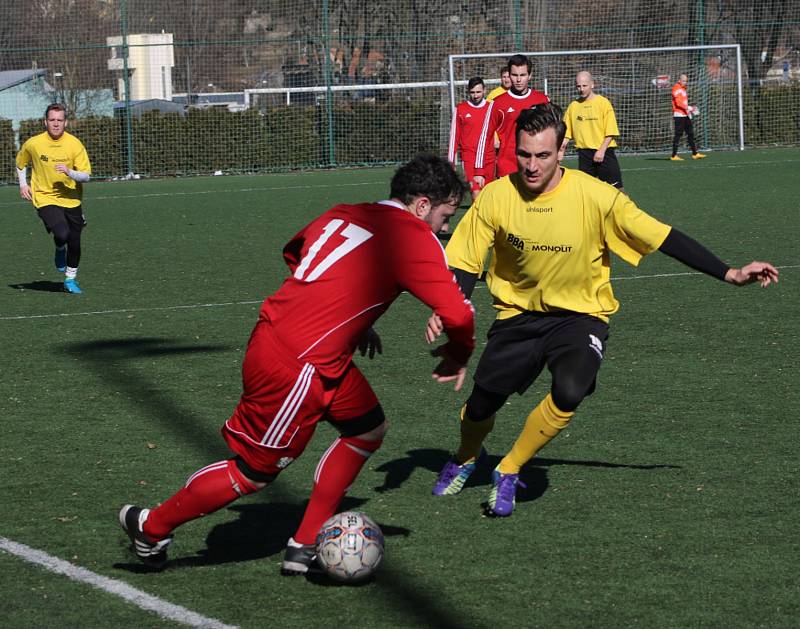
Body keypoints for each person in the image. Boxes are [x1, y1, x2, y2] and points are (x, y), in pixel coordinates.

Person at [119, 155, 476, 574]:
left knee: (367, 428)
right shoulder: (415, 237)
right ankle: (151, 526)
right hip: (297, 364)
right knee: (254, 472)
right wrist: (458, 354)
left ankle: (304, 544)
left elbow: (296, 253)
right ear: (421, 205)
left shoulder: (346, 212)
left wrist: (352, 319)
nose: (446, 227)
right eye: (445, 215)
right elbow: (458, 314)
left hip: (306, 351)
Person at [427, 103, 778, 517]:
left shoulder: (596, 197)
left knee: (571, 388)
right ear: (514, 149)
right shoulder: (497, 198)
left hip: (581, 316)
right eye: (524, 154)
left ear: (561, 151)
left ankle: (510, 467)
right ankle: (467, 456)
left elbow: (661, 236)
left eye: (543, 155)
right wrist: (454, 307)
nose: (532, 165)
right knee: (483, 404)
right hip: (517, 316)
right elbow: (467, 260)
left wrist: (730, 272)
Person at [15, 103, 92, 294]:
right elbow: (20, 163)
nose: (55, 124)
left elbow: (86, 176)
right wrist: (23, 184)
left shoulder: (74, 144)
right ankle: (59, 249)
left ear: (65, 122)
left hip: (72, 199)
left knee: (75, 240)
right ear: (45, 122)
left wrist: (69, 172)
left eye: (59, 120)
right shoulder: (34, 143)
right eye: (52, 120)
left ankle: (70, 279)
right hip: (44, 196)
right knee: (62, 234)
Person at [473, 54, 549, 186]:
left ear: (530, 76)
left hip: (536, 166)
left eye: (523, 75)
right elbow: (484, 136)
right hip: (508, 166)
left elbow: (551, 133)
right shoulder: (497, 103)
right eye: (514, 75)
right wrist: (479, 170)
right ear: (509, 75)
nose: (518, 79)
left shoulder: (542, 100)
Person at [564, 71, 625, 190]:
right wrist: (560, 150)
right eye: (578, 86)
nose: (581, 89)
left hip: (604, 153)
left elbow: (610, 131)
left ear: (592, 84)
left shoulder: (603, 103)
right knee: (587, 192)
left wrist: (601, 151)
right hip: (584, 155)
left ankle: (628, 209)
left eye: (584, 86)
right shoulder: (573, 106)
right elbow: (566, 133)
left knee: (617, 191)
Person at [448, 77, 495, 201]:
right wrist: (451, 161)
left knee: (487, 194)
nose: (475, 95)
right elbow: (454, 136)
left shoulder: (492, 108)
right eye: (472, 92)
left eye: (478, 92)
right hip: (469, 157)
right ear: (468, 92)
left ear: (484, 90)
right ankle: (476, 219)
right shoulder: (461, 109)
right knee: (476, 193)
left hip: (489, 157)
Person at [670, 74, 707, 161]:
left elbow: (683, 103)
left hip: (685, 114)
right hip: (679, 115)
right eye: (683, 81)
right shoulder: (676, 87)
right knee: (678, 135)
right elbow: (678, 103)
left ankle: (695, 153)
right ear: (679, 80)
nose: (685, 82)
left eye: (686, 81)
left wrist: (689, 110)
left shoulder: (683, 88)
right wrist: (688, 108)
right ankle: (673, 155)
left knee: (690, 133)